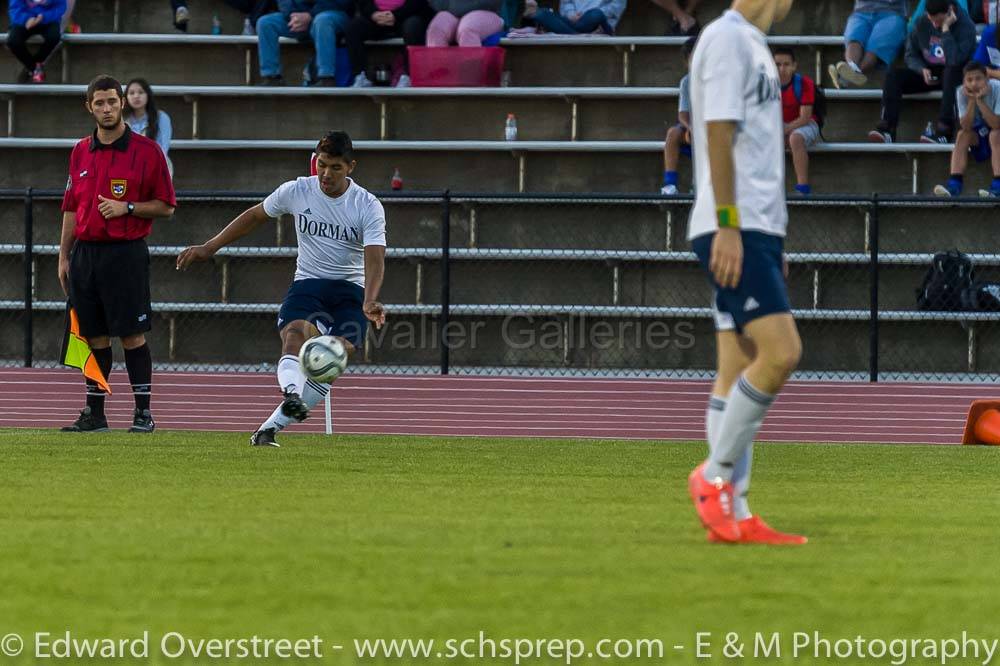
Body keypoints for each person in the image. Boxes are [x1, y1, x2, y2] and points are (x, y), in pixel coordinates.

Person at [175, 131, 386, 447]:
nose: (326, 174)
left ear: (351, 167)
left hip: (350, 288)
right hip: (309, 282)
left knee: (338, 354)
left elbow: (375, 258)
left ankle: (267, 430)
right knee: (293, 335)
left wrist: (370, 300)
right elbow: (255, 215)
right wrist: (210, 246)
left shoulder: (367, 205)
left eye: (335, 168)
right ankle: (291, 394)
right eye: (322, 164)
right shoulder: (298, 190)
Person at [686, 0, 806, 545]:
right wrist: (731, 225)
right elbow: (717, 132)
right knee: (781, 353)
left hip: (755, 225)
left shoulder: (754, 46)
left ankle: (734, 510)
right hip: (735, 225)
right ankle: (714, 478)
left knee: (734, 366)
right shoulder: (729, 39)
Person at [59, 75, 177, 433]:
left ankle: (143, 413)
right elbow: (70, 207)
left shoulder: (147, 151)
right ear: (89, 107)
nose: (107, 109)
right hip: (85, 255)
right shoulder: (80, 150)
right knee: (93, 335)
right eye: (100, 103)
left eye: (112, 101)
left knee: (131, 334)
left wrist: (127, 207)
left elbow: (167, 206)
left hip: (125, 254)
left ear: (122, 102)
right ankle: (95, 413)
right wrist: (63, 256)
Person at [868, 0, 976, 144]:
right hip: (929, 74)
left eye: (939, 21)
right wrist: (921, 69)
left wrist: (945, 30)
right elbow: (910, 54)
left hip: (955, 77)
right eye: (932, 21)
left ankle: (944, 132)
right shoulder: (923, 21)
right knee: (893, 76)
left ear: (950, 11)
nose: (935, 25)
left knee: (951, 71)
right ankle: (887, 129)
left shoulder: (966, 27)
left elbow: (954, 60)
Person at [933, 62, 1000, 197]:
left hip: (997, 135)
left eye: (978, 79)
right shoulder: (961, 92)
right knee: (962, 134)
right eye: (969, 80)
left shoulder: (998, 88)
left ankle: (998, 186)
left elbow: (996, 124)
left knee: (996, 134)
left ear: (987, 78)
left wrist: (980, 101)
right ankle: (954, 187)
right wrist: (971, 101)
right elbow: (966, 126)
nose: (974, 84)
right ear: (964, 81)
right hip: (981, 137)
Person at [256, 0, 354, 86]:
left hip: (333, 13)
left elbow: (342, 2)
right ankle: (272, 77)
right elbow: (284, 2)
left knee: (322, 20)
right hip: (299, 17)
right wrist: (295, 17)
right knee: (265, 23)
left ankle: (326, 78)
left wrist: (310, 15)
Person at [346, 0, 432, 88]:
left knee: (413, 26)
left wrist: (395, 15)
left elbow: (418, 3)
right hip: (377, 18)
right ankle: (361, 76)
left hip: (406, 15)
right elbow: (363, 3)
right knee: (353, 28)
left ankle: (409, 77)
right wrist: (373, 14)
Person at [829, 0, 908, 89]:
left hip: (892, 13)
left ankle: (846, 78)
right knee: (854, 38)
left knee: (876, 46)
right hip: (861, 12)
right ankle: (851, 70)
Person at [775, 47, 821, 195]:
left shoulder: (804, 83)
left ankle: (803, 188)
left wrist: (782, 131)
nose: (782, 69)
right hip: (781, 124)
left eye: (786, 64)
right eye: (778, 64)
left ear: (794, 66)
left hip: (807, 124)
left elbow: (805, 118)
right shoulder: (767, 84)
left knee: (795, 138)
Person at [662, 36, 695, 195]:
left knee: (726, 215)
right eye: (692, 60)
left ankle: (699, 183)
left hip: (714, 131)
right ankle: (669, 186)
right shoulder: (687, 82)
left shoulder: (718, 81)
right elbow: (683, 114)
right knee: (673, 133)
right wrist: (691, 128)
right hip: (693, 131)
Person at [123, 79, 174, 178]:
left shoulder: (161, 117)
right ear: (126, 98)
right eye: (131, 93)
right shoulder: (122, 121)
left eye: (141, 92)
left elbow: (163, 148)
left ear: (148, 95)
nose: (136, 96)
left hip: (157, 169)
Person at [6, 0, 66, 83]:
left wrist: (42, 17)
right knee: (13, 41)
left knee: (54, 37)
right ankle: (33, 67)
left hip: (48, 20)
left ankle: (35, 66)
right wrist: (26, 19)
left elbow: (60, 7)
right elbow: (14, 7)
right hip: (25, 21)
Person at [426, 0, 503, 47]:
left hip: (484, 11)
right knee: (436, 30)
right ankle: (441, 70)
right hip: (452, 11)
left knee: (467, 31)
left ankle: (470, 71)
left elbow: (491, 2)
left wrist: (458, 8)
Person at [532, 0, 624, 35]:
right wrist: (570, 14)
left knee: (596, 14)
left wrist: (588, 14)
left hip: (597, 24)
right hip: (573, 22)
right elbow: (566, 3)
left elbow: (617, 6)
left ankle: (568, 32)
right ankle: (576, 34)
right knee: (542, 13)